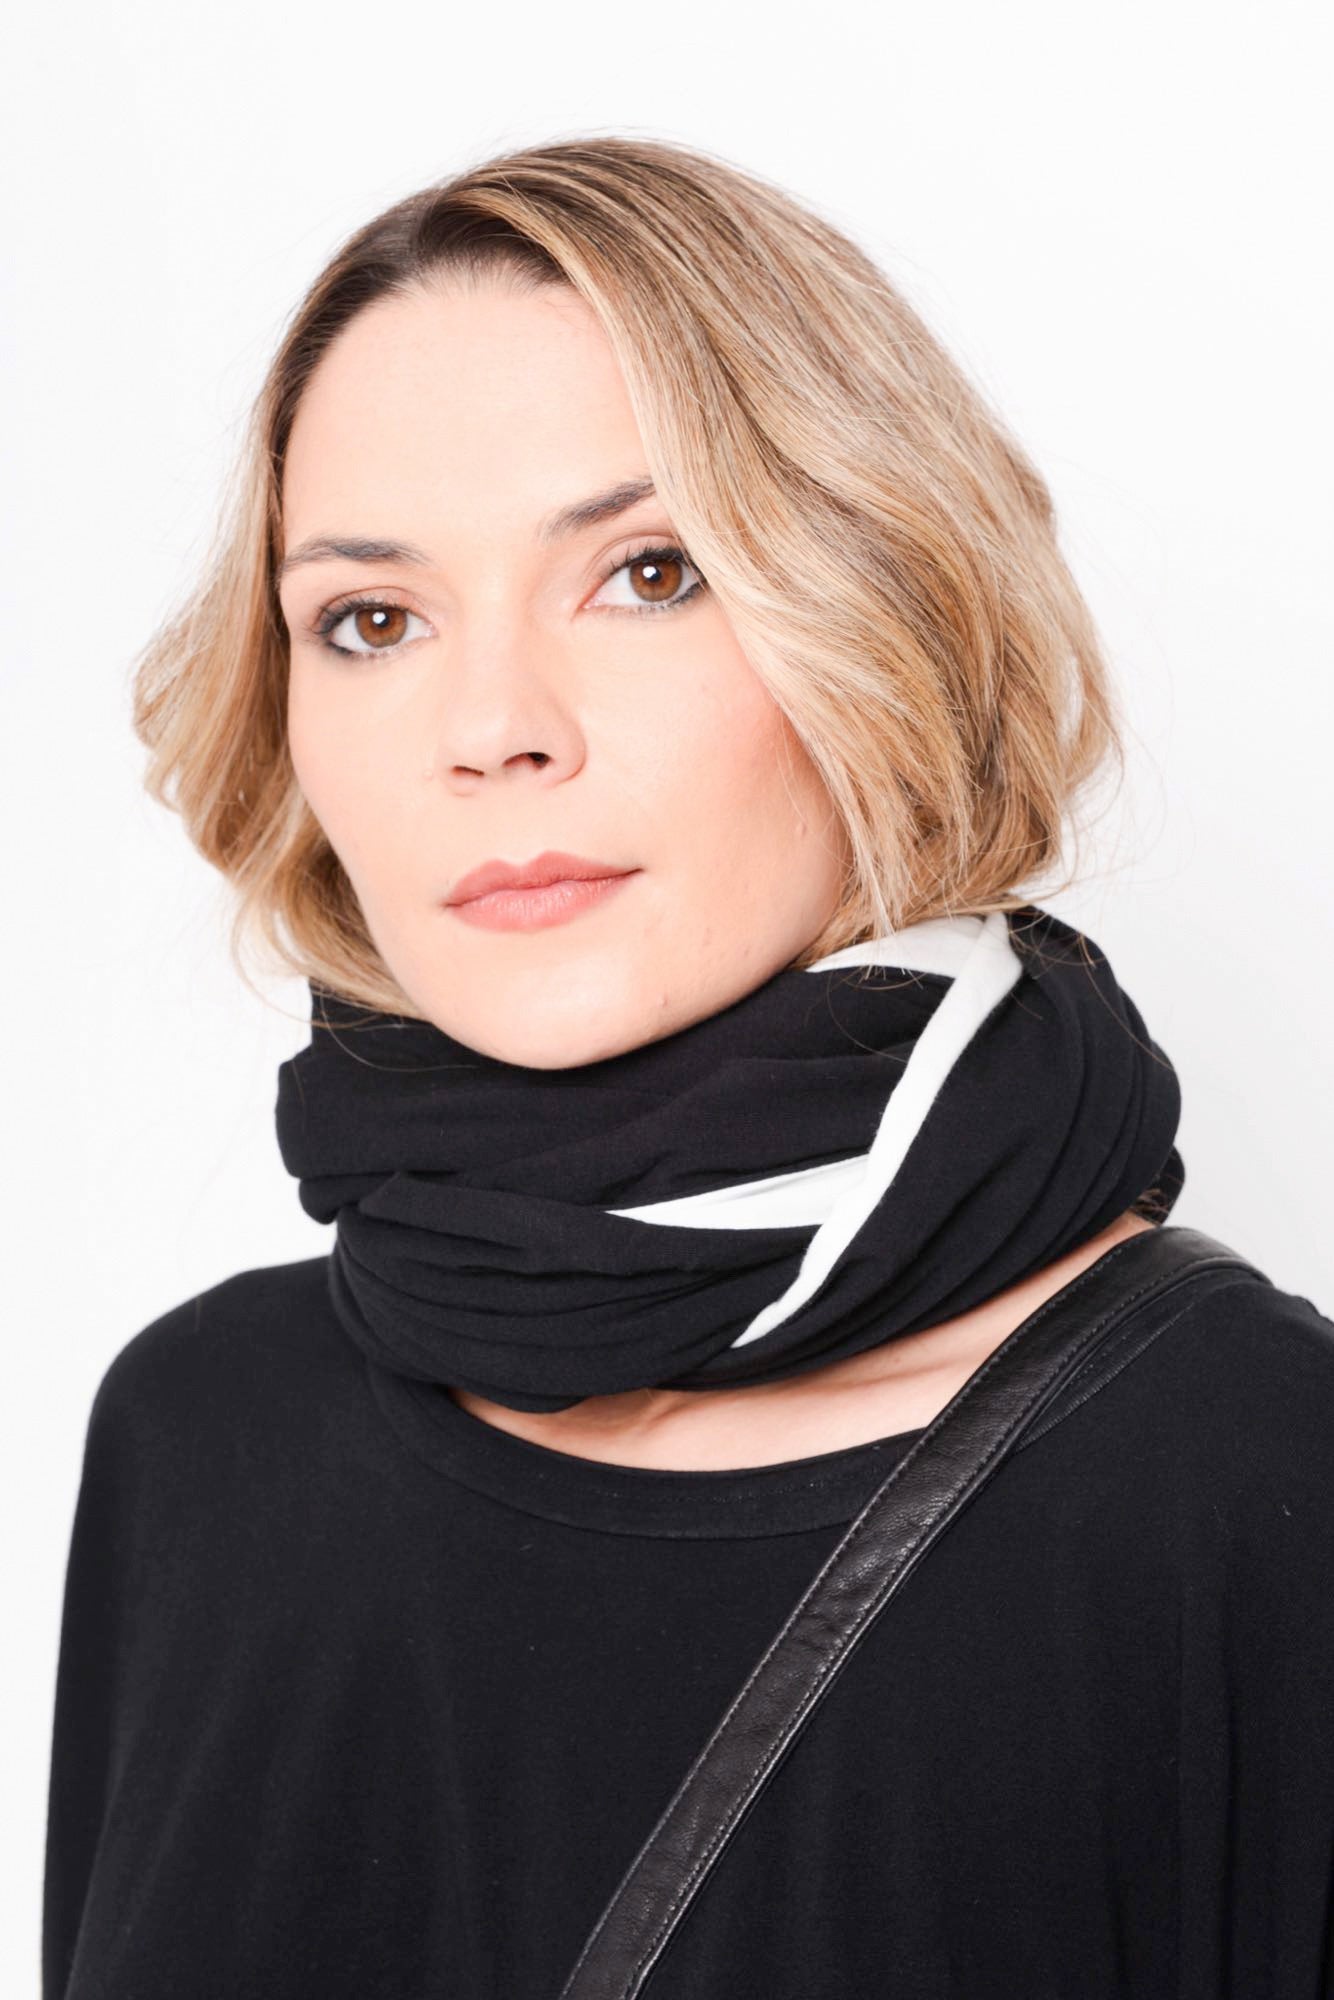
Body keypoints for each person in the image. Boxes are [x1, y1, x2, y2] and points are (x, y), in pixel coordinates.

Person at [42, 134, 1334, 1999]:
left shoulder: (1246, 1484)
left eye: (648, 573)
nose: (492, 728)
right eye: (372, 620)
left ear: (891, 616)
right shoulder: (203, 1440)